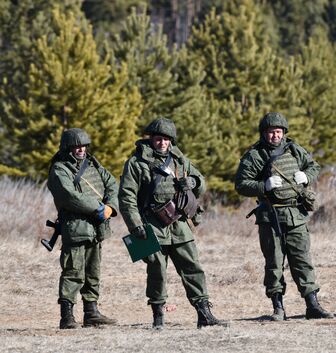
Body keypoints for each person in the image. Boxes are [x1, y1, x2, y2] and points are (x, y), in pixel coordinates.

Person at [118, 117, 225, 329]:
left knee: (193, 267)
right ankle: (158, 317)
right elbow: (127, 196)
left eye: (166, 139)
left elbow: (200, 182)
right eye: (158, 139)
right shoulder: (137, 163)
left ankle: (204, 314)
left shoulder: (179, 159)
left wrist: (193, 182)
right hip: (151, 225)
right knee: (157, 271)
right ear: (151, 139)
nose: (162, 143)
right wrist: (135, 224)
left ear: (171, 141)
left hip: (180, 224)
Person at [235, 112, 333, 321]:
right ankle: (278, 308)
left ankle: (312, 305)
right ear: (264, 134)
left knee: (302, 260)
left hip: (296, 214)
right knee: (274, 263)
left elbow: (314, 166)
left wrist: (307, 176)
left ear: (284, 133)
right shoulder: (255, 156)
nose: (275, 136)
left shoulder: (294, 149)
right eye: (271, 132)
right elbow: (241, 184)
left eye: (278, 132)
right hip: (271, 217)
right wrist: (263, 185)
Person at [47, 128, 118, 329]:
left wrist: (111, 207)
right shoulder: (59, 170)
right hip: (75, 228)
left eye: (84, 145)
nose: (81, 149)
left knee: (93, 272)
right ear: (67, 147)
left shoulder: (94, 165)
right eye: (76, 146)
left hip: (96, 227)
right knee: (73, 271)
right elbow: (69, 197)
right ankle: (67, 316)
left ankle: (91, 312)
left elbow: (112, 183)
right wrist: (99, 207)